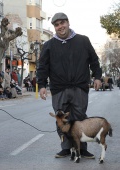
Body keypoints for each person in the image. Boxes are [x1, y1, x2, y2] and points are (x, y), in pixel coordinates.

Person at [37, 12, 102, 159]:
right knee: (62, 119)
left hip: (79, 87)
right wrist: (41, 85)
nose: (60, 27)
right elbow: (42, 68)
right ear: (54, 27)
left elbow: (94, 61)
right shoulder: (48, 45)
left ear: (68, 23)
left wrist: (97, 77)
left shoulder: (83, 41)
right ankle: (66, 148)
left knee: (80, 119)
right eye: (57, 25)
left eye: (62, 23)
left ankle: (82, 148)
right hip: (59, 89)